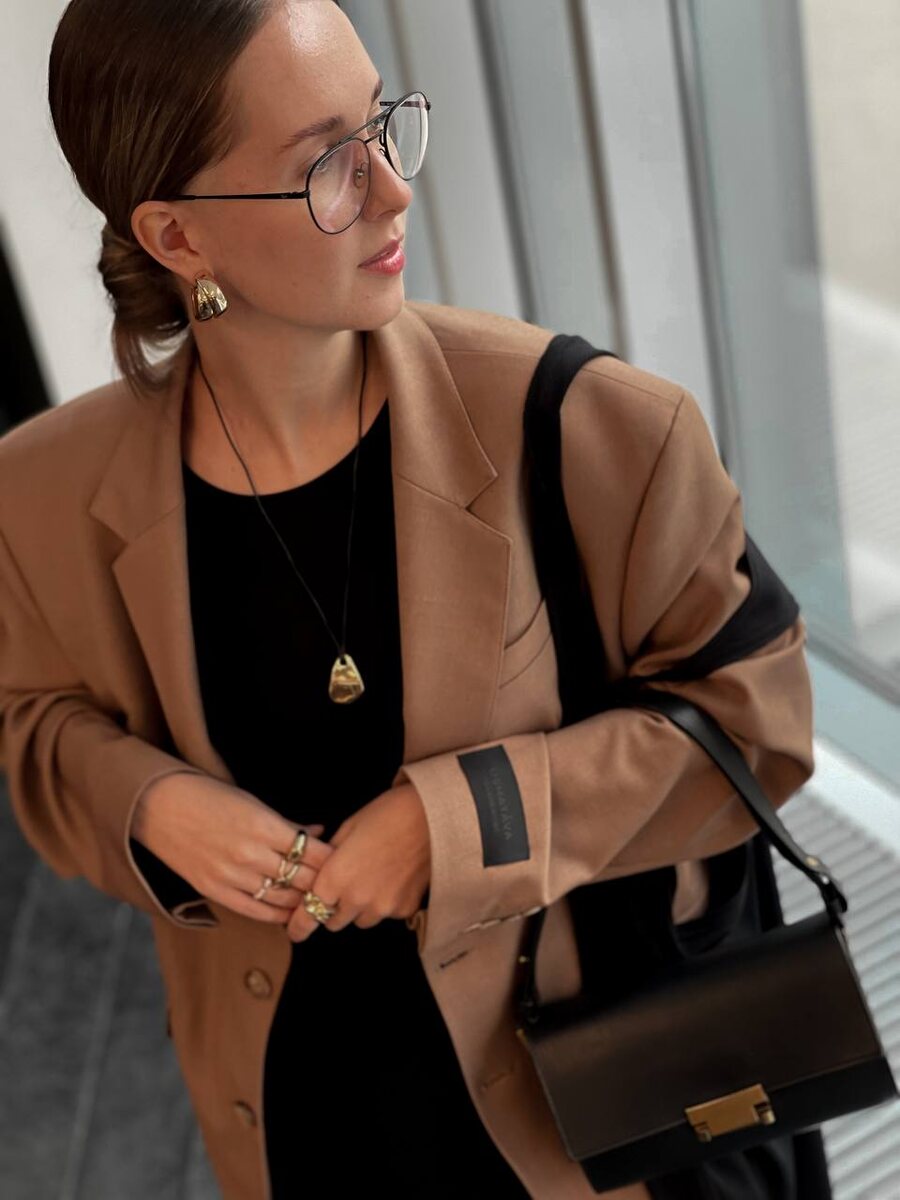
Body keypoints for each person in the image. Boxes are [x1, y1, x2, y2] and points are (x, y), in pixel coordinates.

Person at [0, 1, 830, 1198]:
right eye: (327, 165)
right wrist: (151, 802)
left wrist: (460, 823)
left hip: (586, 1123)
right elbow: (33, 724)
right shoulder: (39, 494)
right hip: (295, 1126)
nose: (394, 189)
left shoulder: (594, 427)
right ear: (177, 236)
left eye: (383, 124)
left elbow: (759, 721)